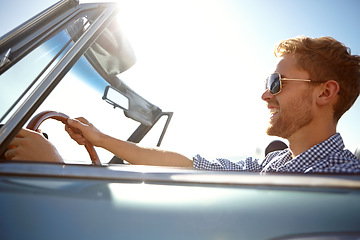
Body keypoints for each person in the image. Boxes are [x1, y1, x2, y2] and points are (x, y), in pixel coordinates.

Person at [5, 36, 360, 173]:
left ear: (325, 93)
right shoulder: (272, 165)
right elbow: (187, 163)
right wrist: (98, 138)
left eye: (276, 83)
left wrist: (54, 171)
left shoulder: (347, 181)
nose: (265, 95)